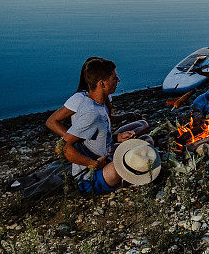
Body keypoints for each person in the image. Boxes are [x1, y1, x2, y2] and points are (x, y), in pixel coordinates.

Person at [60, 58, 134, 194]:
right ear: (102, 83)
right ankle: (124, 178)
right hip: (89, 179)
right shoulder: (91, 112)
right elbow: (62, 147)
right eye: (114, 77)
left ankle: (127, 177)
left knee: (144, 142)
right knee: (123, 165)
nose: (118, 81)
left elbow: (93, 138)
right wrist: (92, 164)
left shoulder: (100, 105)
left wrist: (117, 137)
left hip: (106, 159)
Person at [46, 57, 150, 145]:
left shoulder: (105, 96)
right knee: (147, 140)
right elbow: (51, 122)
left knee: (143, 124)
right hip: (93, 142)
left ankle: (125, 140)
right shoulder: (79, 99)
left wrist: (126, 116)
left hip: (105, 137)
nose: (118, 80)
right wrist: (75, 141)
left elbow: (106, 119)